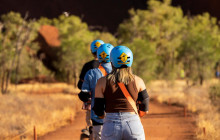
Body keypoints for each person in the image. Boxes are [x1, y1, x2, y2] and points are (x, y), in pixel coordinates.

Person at [93, 46, 149, 140]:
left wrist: (106, 118)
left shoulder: (102, 82)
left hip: (110, 126)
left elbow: (98, 110)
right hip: (133, 125)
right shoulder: (138, 81)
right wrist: (133, 118)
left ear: (111, 61)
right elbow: (145, 109)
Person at [78, 43, 114, 140]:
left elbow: (83, 95)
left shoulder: (91, 73)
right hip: (117, 116)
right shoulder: (120, 73)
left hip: (98, 116)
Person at [77, 39, 104, 136]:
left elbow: (80, 85)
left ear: (92, 52)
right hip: (107, 104)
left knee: (91, 124)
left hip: (90, 101)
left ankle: (90, 130)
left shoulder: (87, 66)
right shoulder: (110, 66)